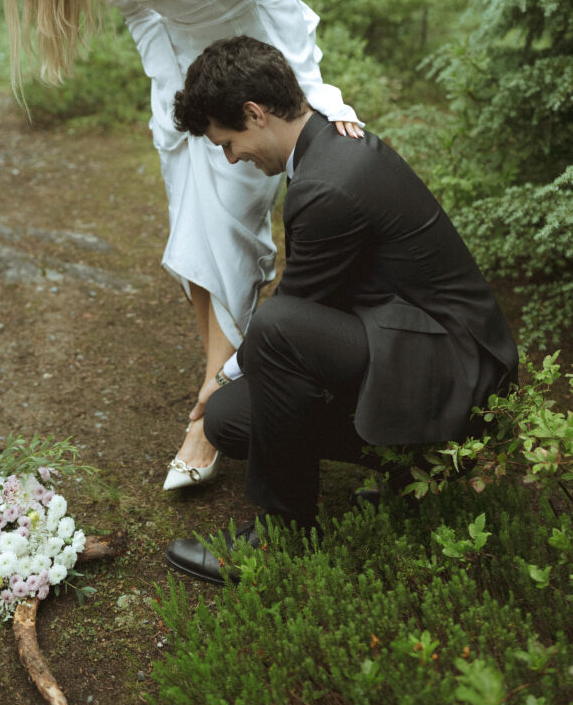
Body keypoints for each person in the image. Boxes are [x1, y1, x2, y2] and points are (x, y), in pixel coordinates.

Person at [0, 0, 364, 488]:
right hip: (187, 84)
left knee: (224, 222)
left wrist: (309, 102)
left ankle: (211, 409)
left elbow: (274, 3)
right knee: (192, 230)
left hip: (257, 76)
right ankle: (219, 380)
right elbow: (142, 14)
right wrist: (172, 107)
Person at [165, 35, 518, 584]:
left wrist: (221, 371)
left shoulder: (331, 182)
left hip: (462, 373)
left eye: (228, 142)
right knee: (230, 419)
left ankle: (283, 538)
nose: (231, 157)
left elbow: (291, 317)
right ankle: (411, 468)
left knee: (277, 330)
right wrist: (225, 385)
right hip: (409, 342)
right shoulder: (326, 149)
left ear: (255, 114)